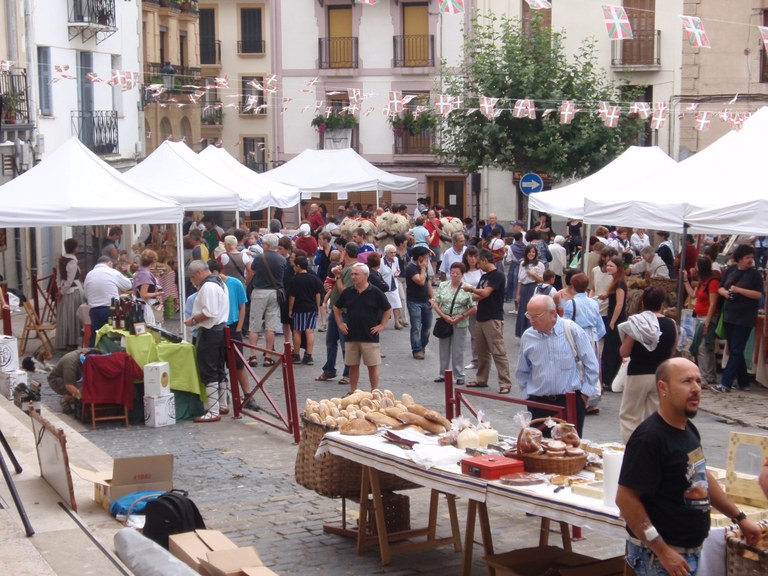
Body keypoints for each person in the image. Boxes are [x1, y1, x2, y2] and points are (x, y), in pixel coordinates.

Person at [616, 358, 761, 576]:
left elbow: (700, 476)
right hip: (659, 560)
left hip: (685, 555)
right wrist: (662, 551)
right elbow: (625, 499)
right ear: (663, 387)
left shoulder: (687, 428)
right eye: (686, 382)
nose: (696, 389)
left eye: (698, 381)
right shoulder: (649, 438)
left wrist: (740, 518)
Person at [515, 295, 599, 437]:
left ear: (552, 313)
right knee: (538, 451)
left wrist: (584, 396)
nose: (531, 320)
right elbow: (522, 370)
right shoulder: (528, 336)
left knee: (569, 451)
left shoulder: (572, 330)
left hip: (568, 402)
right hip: (538, 403)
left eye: (536, 316)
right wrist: (527, 396)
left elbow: (591, 364)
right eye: (529, 315)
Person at [618, 286, 678, 443]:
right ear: (662, 303)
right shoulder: (671, 323)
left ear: (643, 302)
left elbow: (625, 352)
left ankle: (632, 449)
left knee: (630, 415)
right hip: (661, 374)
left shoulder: (636, 323)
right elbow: (672, 351)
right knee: (654, 415)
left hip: (638, 373)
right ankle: (651, 448)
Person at [714, 243, 764, 393]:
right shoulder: (731, 270)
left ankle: (725, 383)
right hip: (730, 315)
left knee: (736, 349)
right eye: (747, 257)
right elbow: (720, 287)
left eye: (752, 257)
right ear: (740, 259)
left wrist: (739, 290)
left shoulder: (755, 275)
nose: (751, 260)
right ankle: (743, 382)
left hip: (745, 317)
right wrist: (725, 293)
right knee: (736, 349)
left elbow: (758, 295)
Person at [334, 263, 391, 393]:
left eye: (356, 274)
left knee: (372, 366)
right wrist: (340, 324)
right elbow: (336, 308)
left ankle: (374, 392)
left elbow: (388, 309)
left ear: (365, 275)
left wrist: (382, 325)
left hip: (370, 336)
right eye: (352, 274)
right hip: (351, 335)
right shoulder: (348, 292)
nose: (353, 277)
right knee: (353, 366)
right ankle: (353, 391)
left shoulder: (375, 292)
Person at [184, 260, 229, 423]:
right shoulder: (219, 283)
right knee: (218, 368)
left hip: (211, 332)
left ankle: (213, 410)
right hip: (220, 329)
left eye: (192, 277)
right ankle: (222, 404)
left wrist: (193, 319)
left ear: (198, 273)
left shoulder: (208, 286)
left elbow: (209, 312)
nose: (192, 281)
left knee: (209, 370)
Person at [464, 249, 512, 394]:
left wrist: (470, 290)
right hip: (481, 317)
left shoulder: (497, 275)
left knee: (498, 351)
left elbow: (485, 293)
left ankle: (505, 383)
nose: (478, 265)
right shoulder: (484, 277)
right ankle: (481, 379)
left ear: (485, 260)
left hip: (493, 317)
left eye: (479, 262)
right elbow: (480, 295)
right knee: (482, 352)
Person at [209, 260, 249, 414]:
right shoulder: (210, 286)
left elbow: (242, 305)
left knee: (238, 364)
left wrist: (239, 328)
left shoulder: (235, 283)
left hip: (232, 327)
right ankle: (224, 399)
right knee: (219, 364)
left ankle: (247, 395)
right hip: (217, 327)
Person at [316, 242, 358, 385]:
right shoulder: (345, 267)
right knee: (331, 341)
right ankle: (329, 369)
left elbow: (344, 291)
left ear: (346, 252)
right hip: (336, 310)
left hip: (344, 312)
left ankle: (348, 373)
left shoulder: (352, 269)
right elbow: (337, 287)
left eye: (343, 251)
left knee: (345, 344)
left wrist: (338, 277)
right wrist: (331, 284)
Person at [245, 234, 288, 368]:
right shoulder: (282, 259)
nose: (262, 245)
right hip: (275, 293)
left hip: (259, 291)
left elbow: (251, 272)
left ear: (267, 245)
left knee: (254, 324)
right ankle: (268, 356)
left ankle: (252, 355)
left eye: (263, 243)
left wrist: (247, 285)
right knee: (271, 325)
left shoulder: (259, 258)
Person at [431, 262, 476, 385]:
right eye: (452, 272)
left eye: (457, 273)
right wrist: (444, 316)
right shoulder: (443, 285)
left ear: (462, 275)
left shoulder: (467, 287)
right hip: (445, 320)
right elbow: (435, 303)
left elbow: (473, 308)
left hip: (460, 322)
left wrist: (461, 316)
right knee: (443, 349)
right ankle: (443, 373)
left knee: (458, 350)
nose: (454, 275)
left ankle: (459, 374)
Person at [683, 257, 720, 387]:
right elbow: (693, 295)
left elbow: (713, 303)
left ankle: (704, 377)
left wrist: (707, 323)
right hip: (699, 317)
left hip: (707, 318)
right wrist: (686, 280)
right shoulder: (702, 282)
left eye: (696, 266)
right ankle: (710, 375)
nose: (695, 268)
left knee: (703, 347)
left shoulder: (712, 282)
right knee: (706, 346)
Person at [83, 256, 132, 346]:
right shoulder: (112, 272)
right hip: (111, 309)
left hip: (95, 310)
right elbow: (128, 285)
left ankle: (92, 355)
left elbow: (86, 294)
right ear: (109, 263)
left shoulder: (89, 274)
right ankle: (109, 355)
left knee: (96, 334)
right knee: (112, 336)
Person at [287, 255, 323, 366]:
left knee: (297, 331)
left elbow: (292, 296)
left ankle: (296, 355)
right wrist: (317, 307)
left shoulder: (295, 280)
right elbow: (318, 294)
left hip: (300, 308)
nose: (293, 268)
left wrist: (290, 309)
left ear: (298, 266)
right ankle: (309, 355)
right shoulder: (314, 278)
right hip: (312, 308)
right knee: (310, 331)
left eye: (294, 266)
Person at [599, 256, 628, 391]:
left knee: (611, 350)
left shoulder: (619, 283)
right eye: (607, 265)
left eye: (611, 266)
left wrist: (612, 322)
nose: (608, 268)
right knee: (613, 350)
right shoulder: (616, 282)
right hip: (615, 319)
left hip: (616, 320)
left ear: (618, 268)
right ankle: (610, 379)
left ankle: (607, 379)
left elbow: (620, 304)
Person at [46, 348, 102, 413]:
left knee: (90, 386)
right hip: (57, 380)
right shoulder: (70, 363)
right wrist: (84, 398)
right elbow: (69, 386)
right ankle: (65, 399)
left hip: (75, 376)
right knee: (84, 389)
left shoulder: (92, 352)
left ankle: (74, 398)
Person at [406, 245, 433, 360]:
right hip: (414, 301)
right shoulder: (411, 268)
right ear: (420, 257)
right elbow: (421, 281)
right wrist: (422, 268)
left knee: (427, 326)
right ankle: (417, 349)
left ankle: (422, 345)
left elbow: (427, 282)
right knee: (416, 326)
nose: (427, 259)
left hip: (425, 300)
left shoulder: (424, 267)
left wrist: (432, 298)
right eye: (426, 257)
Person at [56, 238, 84, 350]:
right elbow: (70, 280)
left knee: (66, 316)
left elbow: (58, 276)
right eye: (77, 247)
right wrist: (62, 291)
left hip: (66, 289)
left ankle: (66, 340)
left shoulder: (62, 259)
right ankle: (72, 340)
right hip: (72, 292)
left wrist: (59, 288)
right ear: (74, 248)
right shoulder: (72, 261)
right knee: (73, 316)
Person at [516, 244, 545, 337]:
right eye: (529, 252)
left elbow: (542, 280)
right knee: (523, 310)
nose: (531, 254)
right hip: (524, 288)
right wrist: (518, 294)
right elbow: (520, 280)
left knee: (532, 311)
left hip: (534, 287)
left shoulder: (539, 264)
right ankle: (522, 333)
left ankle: (533, 331)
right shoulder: (522, 263)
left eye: (533, 252)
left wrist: (532, 274)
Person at [462, 246, 482, 370]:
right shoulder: (463, 272)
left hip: (483, 305)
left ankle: (483, 359)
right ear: (466, 257)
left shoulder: (482, 271)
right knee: (474, 334)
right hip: (470, 306)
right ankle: (476, 360)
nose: (473, 259)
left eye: (475, 256)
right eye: (471, 256)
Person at [131, 249, 163, 328]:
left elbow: (135, 292)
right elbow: (143, 294)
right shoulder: (145, 274)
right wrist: (158, 293)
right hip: (147, 307)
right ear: (153, 261)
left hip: (141, 306)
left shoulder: (139, 272)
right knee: (153, 328)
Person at [380, 245, 404, 329]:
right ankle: (382, 323)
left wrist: (397, 273)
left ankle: (396, 322)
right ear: (386, 253)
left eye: (394, 252)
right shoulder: (381, 261)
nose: (393, 254)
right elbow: (378, 274)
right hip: (384, 286)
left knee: (397, 303)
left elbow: (398, 269)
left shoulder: (396, 259)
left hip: (393, 284)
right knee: (383, 305)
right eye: (391, 252)